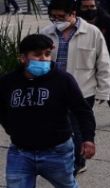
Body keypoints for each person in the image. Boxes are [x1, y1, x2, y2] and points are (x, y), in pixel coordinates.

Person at [0, 34, 96, 188]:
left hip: (57, 152)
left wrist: (88, 138)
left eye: (47, 54)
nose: (44, 58)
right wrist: (12, 129)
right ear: (23, 58)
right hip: (21, 152)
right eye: (37, 55)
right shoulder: (7, 82)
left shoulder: (63, 80)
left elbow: (82, 110)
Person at [40, 0, 110, 176]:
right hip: (54, 91)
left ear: (73, 14)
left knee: (78, 128)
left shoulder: (92, 33)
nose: (57, 21)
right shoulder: (46, 33)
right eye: (53, 17)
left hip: (83, 90)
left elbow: (103, 63)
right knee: (59, 127)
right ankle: (64, 158)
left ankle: (78, 162)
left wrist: (104, 91)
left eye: (61, 17)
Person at [76, 0, 110, 127]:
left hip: (106, 63)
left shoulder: (108, 22)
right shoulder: (76, 23)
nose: (89, 10)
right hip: (85, 63)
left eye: (92, 6)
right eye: (85, 7)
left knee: (109, 90)